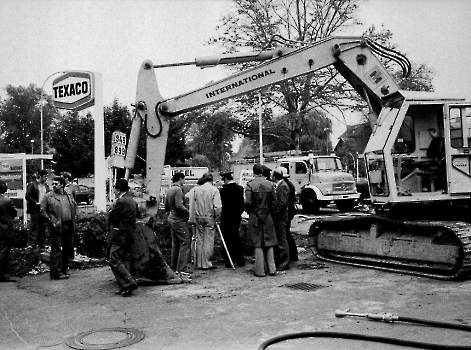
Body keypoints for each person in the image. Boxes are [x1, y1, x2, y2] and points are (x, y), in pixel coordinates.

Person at [245, 163, 278, 277]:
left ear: (253, 172)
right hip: (268, 216)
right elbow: (275, 203)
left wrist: (251, 212)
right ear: (263, 172)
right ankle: (272, 269)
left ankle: (260, 271)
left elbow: (248, 202)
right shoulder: (271, 184)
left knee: (257, 243)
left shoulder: (250, 185)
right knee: (269, 242)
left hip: (255, 217)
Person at [107, 179, 139, 296]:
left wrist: (111, 208)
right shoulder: (131, 200)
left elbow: (112, 216)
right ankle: (124, 286)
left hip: (120, 234)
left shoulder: (121, 201)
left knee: (113, 259)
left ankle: (129, 282)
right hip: (128, 233)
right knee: (124, 259)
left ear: (117, 189)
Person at [40, 176, 76, 280]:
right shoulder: (48, 196)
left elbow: (74, 206)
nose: (53, 185)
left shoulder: (68, 194)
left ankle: (64, 270)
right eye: (53, 184)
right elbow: (42, 210)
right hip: (56, 226)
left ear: (62, 185)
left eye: (56, 184)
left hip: (69, 225)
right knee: (56, 249)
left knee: (67, 248)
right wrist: (51, 220)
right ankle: (55, 273)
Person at [188, 173, 221, 270]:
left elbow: (192, 203)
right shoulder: (214, 190)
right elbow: (217, 206)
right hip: (209, 217)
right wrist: (217, 216)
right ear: (211, 180)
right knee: (208, 240)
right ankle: (207, 262)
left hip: (199, 217)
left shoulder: (196, 189)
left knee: (200, 240)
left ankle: (200, 262)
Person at [165, 172, 192, 275]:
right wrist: (188, 211)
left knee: (175, 244)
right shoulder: (178, 190)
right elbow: (179, 205)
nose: (184, 182)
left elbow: (167, 206)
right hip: (179, 219)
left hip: (171, 218)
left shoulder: (169, 190)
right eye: (184, 179)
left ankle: (174, 266)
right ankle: (181, 268)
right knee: (185, 242)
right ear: (180, 179)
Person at [219, 171, 245, 268]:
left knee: (226, 238)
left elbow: (221, 205)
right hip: (236, 216)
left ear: (225, 179)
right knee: (236, 237)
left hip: (226, 217)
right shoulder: (239, 188)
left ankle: (229, 260)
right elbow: (242, 203)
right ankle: (240, 259)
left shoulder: (223, 190)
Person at [272, 167, 291, 271]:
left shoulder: (282, 186)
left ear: (275, 176)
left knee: (282, 241)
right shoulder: (281, 185)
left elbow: (282, 204)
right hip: (281, 217)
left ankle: (284, 263)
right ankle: (283, 262)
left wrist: (276, 214)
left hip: (281, 218)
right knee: (281, 240)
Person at [25, 169, 50, 248]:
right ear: (40, 176)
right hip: (35, 208)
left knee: (42, 226)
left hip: (43, 209)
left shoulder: (46, 186)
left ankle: (41, 243)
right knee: (34, 225)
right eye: (45, 176)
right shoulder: (32, 185)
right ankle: (31, 243)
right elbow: (28, 196)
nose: (46, 178)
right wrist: (35, 202)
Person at [0, 182, 18, 282]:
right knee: (3, 252)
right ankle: (2, 275)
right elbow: (14, 212)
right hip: (4, 229)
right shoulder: (7, 201)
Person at [283, 170, 298, 262]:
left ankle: (292, 255)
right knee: (287, 233)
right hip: (290, 212)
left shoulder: (284, 185)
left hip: (287, 213)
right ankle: (293, 254)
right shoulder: (290, 184)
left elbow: (283, 202)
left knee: (286, 234)